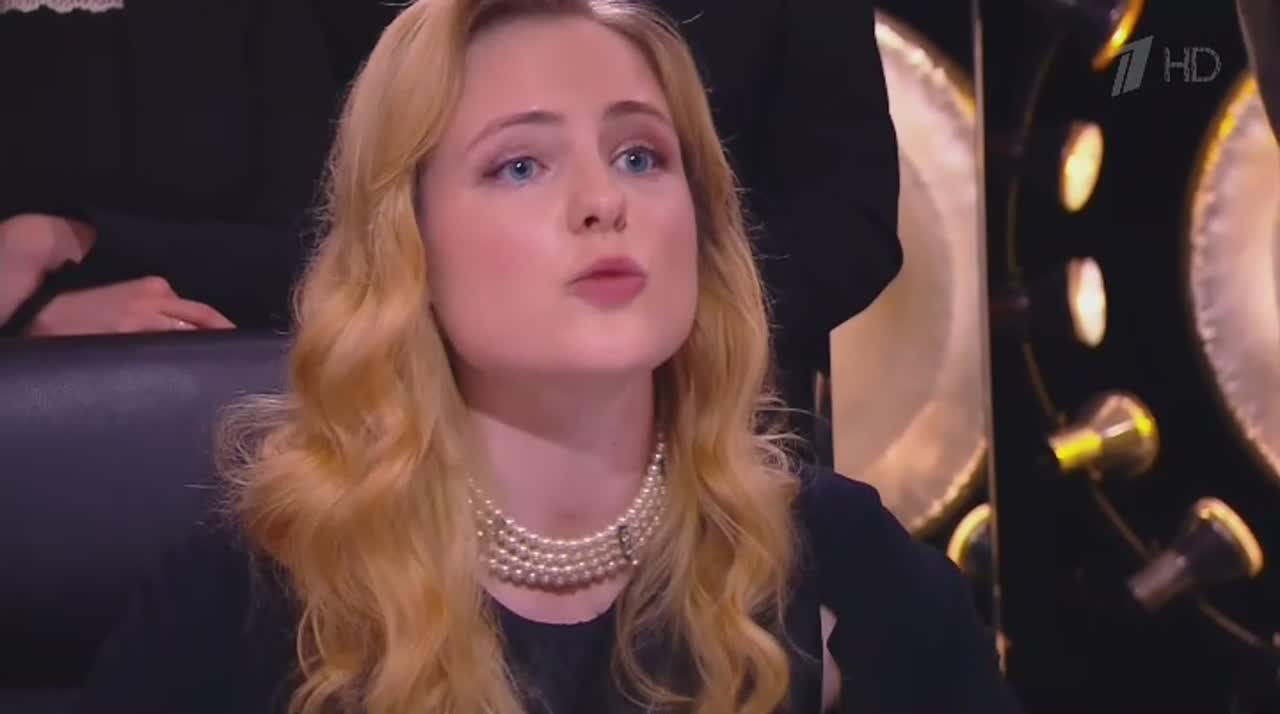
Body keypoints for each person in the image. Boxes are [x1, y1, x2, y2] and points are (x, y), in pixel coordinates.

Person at [78, 1, 1019, 712]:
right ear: (409, 250)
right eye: (520, 165)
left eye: (641, 156)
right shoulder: (242, 606)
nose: (605, 201)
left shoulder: (849, 566)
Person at [0, 0, 388, 338]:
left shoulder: (260, 16)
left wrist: (76, 239)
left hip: (227, 372)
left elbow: (326, 252)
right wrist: (31, 321)